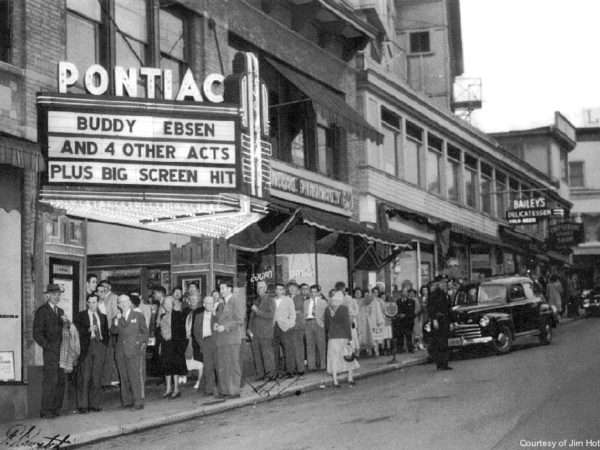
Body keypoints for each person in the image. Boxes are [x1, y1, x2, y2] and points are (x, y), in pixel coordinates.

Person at [33, 284, 70, 419]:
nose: (57, 296)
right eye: (54, 294)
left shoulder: (60, 311)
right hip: (50, 351)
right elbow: (36, 333)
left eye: (59, 294)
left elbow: (66, 330)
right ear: (48, 296)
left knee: (61, 380)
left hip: (62, 351)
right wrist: (47, 346)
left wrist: (67, 324)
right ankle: (46, 411)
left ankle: (56, 409)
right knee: (50, 380)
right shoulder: (41, 311)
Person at [111, 294, 149, 410]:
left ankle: (138, 403)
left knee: (134, 377)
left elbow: (145, 333)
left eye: (125, 301)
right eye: (120, 302)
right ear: (118, 305)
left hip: (133, 351)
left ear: (129, 303)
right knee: (123, 377)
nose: (123, 304)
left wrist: (138, 343)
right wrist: (116, 322)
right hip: (120, 352)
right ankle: (126, 402)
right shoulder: (116, 318)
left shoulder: (138, 315)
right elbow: (113, 331)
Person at [74, 293, 109, 413]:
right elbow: (76, 330)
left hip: (99, 346)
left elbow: (106, 333)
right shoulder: (81, 316)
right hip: (87, 347)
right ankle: (83, 406)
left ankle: (95, 404)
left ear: (98, 303)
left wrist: (104, 346)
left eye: (95, 302)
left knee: (97, 377)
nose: (93, 305)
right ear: (87, 303)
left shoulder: (103, 316)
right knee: (85, 377)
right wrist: (88, 330)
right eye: (90, 302)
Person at [214, 282, 245, 398]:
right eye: (220, 288)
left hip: (232, 338)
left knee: (232, 364)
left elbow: (239, 320)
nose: (221, 290)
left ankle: (234, 390)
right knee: (222, 365)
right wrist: (217, 325)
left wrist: (225, 327)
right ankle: (225, 390)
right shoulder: (221, 304)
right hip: (222, 339)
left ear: (229, 288)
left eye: (223, 288)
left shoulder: (235, 301)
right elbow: (220, 319)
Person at [324, 291, 359, 387]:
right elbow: (347, 324)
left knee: (334, 358)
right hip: (344, 336)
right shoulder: (344, 308)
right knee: (348, 357)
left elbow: (326, 324)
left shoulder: (327, 309)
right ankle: (350, 378)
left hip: (332, 337)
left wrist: (331, 331)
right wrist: (349, 338)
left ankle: (335, 380)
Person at [158, 296, 187, 399]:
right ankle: (168, 389)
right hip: (165, 344)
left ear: (173, 304)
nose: (166, 306)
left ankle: (176, 389)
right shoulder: (162, 316)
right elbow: (160, 331)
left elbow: (181, 332)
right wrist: (160, 344)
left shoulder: (178, 315)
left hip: (175, 344)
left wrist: (181, 347)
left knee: (175, 367)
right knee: (166, 367)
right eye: (165, 304)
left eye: (169, 303)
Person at [248, 280, 276, 380]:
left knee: (267, 354)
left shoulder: (270, 300)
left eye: (261, 287)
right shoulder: (256, 301)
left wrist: (257, 311)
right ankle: (260, 374)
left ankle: (270, 375)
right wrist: (249, 328)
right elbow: (252, 317)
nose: (259, 289)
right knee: (257, 355)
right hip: (255, 333)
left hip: (265, 333)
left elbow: (271, 315)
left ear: (265, 289)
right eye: (257, 287)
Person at [192, 296, 218, 395]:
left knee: (218, 365)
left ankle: (222, 388)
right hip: (205, 342)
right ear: (204, 304)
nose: (210, 305)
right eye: (207, 303)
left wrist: (215, 314)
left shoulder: (216, 315)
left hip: (215, 341)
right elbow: (196, 332)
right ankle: (209, 389)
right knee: (208, 367)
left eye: (211, 303)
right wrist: (201, 344)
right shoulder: (198, 316)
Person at [427, 277, 453, 371]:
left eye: (445, 282)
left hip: (445, 320)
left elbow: (448, 309)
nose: (444, 284)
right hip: (438, 320)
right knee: (438, 342)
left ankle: (445, 363)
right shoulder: (434, 294)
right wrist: (434, 319)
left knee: (445, 342)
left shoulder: (445, 294)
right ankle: (439, 363)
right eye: (442, 282)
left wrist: (451, 322)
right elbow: (430, 308)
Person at [97, 280, 119, 389]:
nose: (104, 289)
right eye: (102, 287)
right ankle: (104, 380)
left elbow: (115, 314)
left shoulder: (113, 298)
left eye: (105, 287)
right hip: (101, 332)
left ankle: (111, 380)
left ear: (109, 287)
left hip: (110, 331)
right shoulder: (100, 298)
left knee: (110, 356)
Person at [272, 282, 296, 377]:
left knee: (288, 350)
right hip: (274, 327)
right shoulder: (272, 300)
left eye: (281, 289)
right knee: (275, 350)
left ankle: (290, 371)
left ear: (284, 290)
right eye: (277, 289)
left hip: (285, 327)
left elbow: (292, 314)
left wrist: (290, 324)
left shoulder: (288, 300)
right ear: (275, 290)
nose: (279, 291)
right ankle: (277, 371)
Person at [131, 293, 151, 399]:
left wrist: (141, 343)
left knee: (139, 368)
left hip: (138, 344)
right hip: (132, 345)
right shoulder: (130, 313)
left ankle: (141, 393)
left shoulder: (138, 314)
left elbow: (144, 331)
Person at [304, 284, 328, 371]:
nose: (313, 293)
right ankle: (311, 365)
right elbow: (304, 314)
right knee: (310, 345)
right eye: (311, 292)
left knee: (321, 345)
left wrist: (323, 321)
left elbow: (327, 314)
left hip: (319, 324)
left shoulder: (323, 302)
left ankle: (323, 365)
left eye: (315, 292)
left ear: (318, 292)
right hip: (308, 323)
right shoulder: (306, 302)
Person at [390, 288, 417, 362]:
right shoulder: (398, 301)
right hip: (400, 322)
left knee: (409, 335)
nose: (404, 293)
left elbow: (412, 312)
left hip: (408, 321)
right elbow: (396, 310)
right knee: (400, 336)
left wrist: (405, 315)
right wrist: (399, 315)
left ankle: (410, 348)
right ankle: (400, 349)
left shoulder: (411, 301)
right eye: (403, 292)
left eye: (405, 292)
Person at [357, 288, 384, 356]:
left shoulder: (376, 302)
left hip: (374, 322)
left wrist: (379, 320)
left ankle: (376, 351)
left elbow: (378, 312)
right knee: (368, 337)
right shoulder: (362, 303)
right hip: (366, 322)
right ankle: (369, 351)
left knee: (375, 338)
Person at [185, 292, 204, 389]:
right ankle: (189, 376)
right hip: (189, 339)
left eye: (196, 298)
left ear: (199, 299)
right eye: (192, 298)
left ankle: (199, 381)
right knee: (189, 358)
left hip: (198, 338)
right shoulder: (186, 311)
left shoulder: (202, 310)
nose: (193, 300)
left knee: (200, 361)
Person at [288, 280, 305, 375]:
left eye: (293, 287)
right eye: (290, 287)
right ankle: (293, 368)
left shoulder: (299, 298)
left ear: (297, 289)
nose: (291, 289)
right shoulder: (287, 298)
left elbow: (297, 309)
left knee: (298, 347)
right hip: (289, 327)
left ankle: (300, 368)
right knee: (291, 348)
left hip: (297, 326)